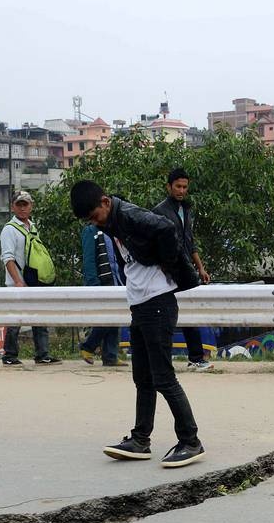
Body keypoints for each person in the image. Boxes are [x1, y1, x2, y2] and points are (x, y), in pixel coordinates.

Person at [70, 180, 205, 468]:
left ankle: (191, 441)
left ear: (105, 202)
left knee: (163, 378)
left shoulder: (128, 215)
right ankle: (140, 440)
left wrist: (168, 264)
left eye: (95, 216)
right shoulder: (112, 224)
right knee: (142, 379)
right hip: (141, 305)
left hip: (158, 303)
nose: (94, 224)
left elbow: (167, 229)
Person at [152, 167, 213, 371]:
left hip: (185, 270)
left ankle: (195, 357)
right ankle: (186, 358)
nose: (181, 190)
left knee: (188, 312)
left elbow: (190, 242)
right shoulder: (160, 211)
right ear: (169, 187)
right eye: (178, 186)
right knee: (169, 316)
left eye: (185, 187)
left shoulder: (185, 209)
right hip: (169, 273)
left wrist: (200, 267)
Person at [0, 190, 60, 366]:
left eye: (26, 204)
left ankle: (43, 354)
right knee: (15, 320)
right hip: (17, 283)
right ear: (13, 207)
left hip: (34, 281)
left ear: (31, 206)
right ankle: (9, 355)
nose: (23, 208)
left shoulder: (32, 226)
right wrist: (18, 281)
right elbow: (7, 258)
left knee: (39, 318)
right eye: (19, 204)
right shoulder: (9, 230)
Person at [78, 222, 123, 366]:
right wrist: (93, 285)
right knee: (107, 320)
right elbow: (89, 260)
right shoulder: (90, 231)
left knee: (115, 319)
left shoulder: (111, 230)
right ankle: (88, 346)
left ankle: (111, 356)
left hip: (114, 280)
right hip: (100, 282)